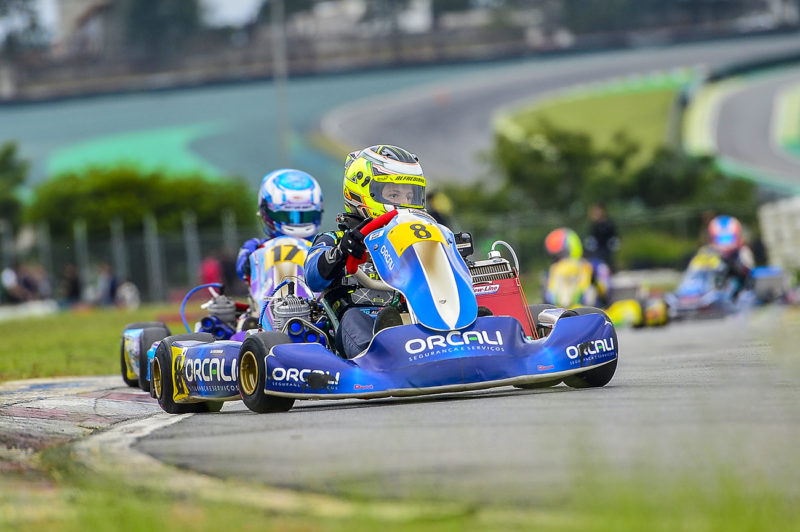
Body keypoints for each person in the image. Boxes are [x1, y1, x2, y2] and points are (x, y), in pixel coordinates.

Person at [305, 145, 426, 359]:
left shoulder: (415, 240)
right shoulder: (334, 240)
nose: (405, 203)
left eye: (410, 195)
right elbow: (313, 277)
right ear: (361, 192)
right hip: (355, 322)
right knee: (353, 318)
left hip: (411, 318)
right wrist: (342, 251)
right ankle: (378, 355)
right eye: (394, 194)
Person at [235, 169, 324, 283]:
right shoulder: (255, 247)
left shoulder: (323, 246)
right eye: (286, 215)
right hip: (269, 297)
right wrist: (249, 263)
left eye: (305, 215)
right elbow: (241, 269)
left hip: (315, 298)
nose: (295, 223)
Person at [543, 227, 610, 308]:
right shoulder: (551, 271)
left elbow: (606, 291)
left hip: (592, 312)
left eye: (560, 255)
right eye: (555, 257)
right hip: (561, 314)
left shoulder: (593, 265)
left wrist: (590, 276)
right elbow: (547, 298)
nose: (559, 260)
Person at [706, 215, 754, 298]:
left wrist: (743, 267)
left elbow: (749, 268)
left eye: (728, 238)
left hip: (740, 289)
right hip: (718, 289)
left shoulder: (743, 252)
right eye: (721, 239)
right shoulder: (710, 253)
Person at [584, 202, 619, 272]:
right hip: (597, 251)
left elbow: (614, 237)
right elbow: (591, 238)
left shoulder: (608, 224)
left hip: (607, 250)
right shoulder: (594, 225)